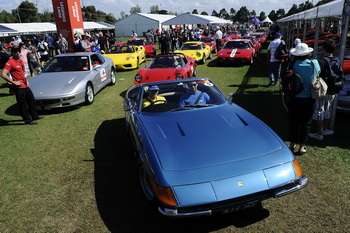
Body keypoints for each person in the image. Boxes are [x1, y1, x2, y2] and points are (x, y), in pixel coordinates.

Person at [287, 43, 320, 155]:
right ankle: (302, 147)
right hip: (309, 97)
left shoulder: (292, 64)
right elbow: (317, 74)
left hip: (294, 97)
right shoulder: (314, 63)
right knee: (306, 123)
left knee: (294, 121)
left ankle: (292, 144)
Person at [309, 39, 344, 141]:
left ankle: (319, 134)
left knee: (319, 110)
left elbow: (316, 75)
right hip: (333, 89)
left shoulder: (322, 61)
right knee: (328, 109)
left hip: (323, 90)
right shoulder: (337, 61)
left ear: (323, 48)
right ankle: (324, 129)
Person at [1, 47, 43, 125]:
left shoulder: (20, 61)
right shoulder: (10, 62)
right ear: (12, 53)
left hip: (25, 85)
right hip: (18, 88)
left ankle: (35, 116)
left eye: (18, 52)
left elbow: (24, 72)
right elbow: (3, 74)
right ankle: (27, 120)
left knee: (31, 101)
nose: (17, 53)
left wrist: (26, 80)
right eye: (15, 52)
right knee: (22, 104)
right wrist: (13, 82)